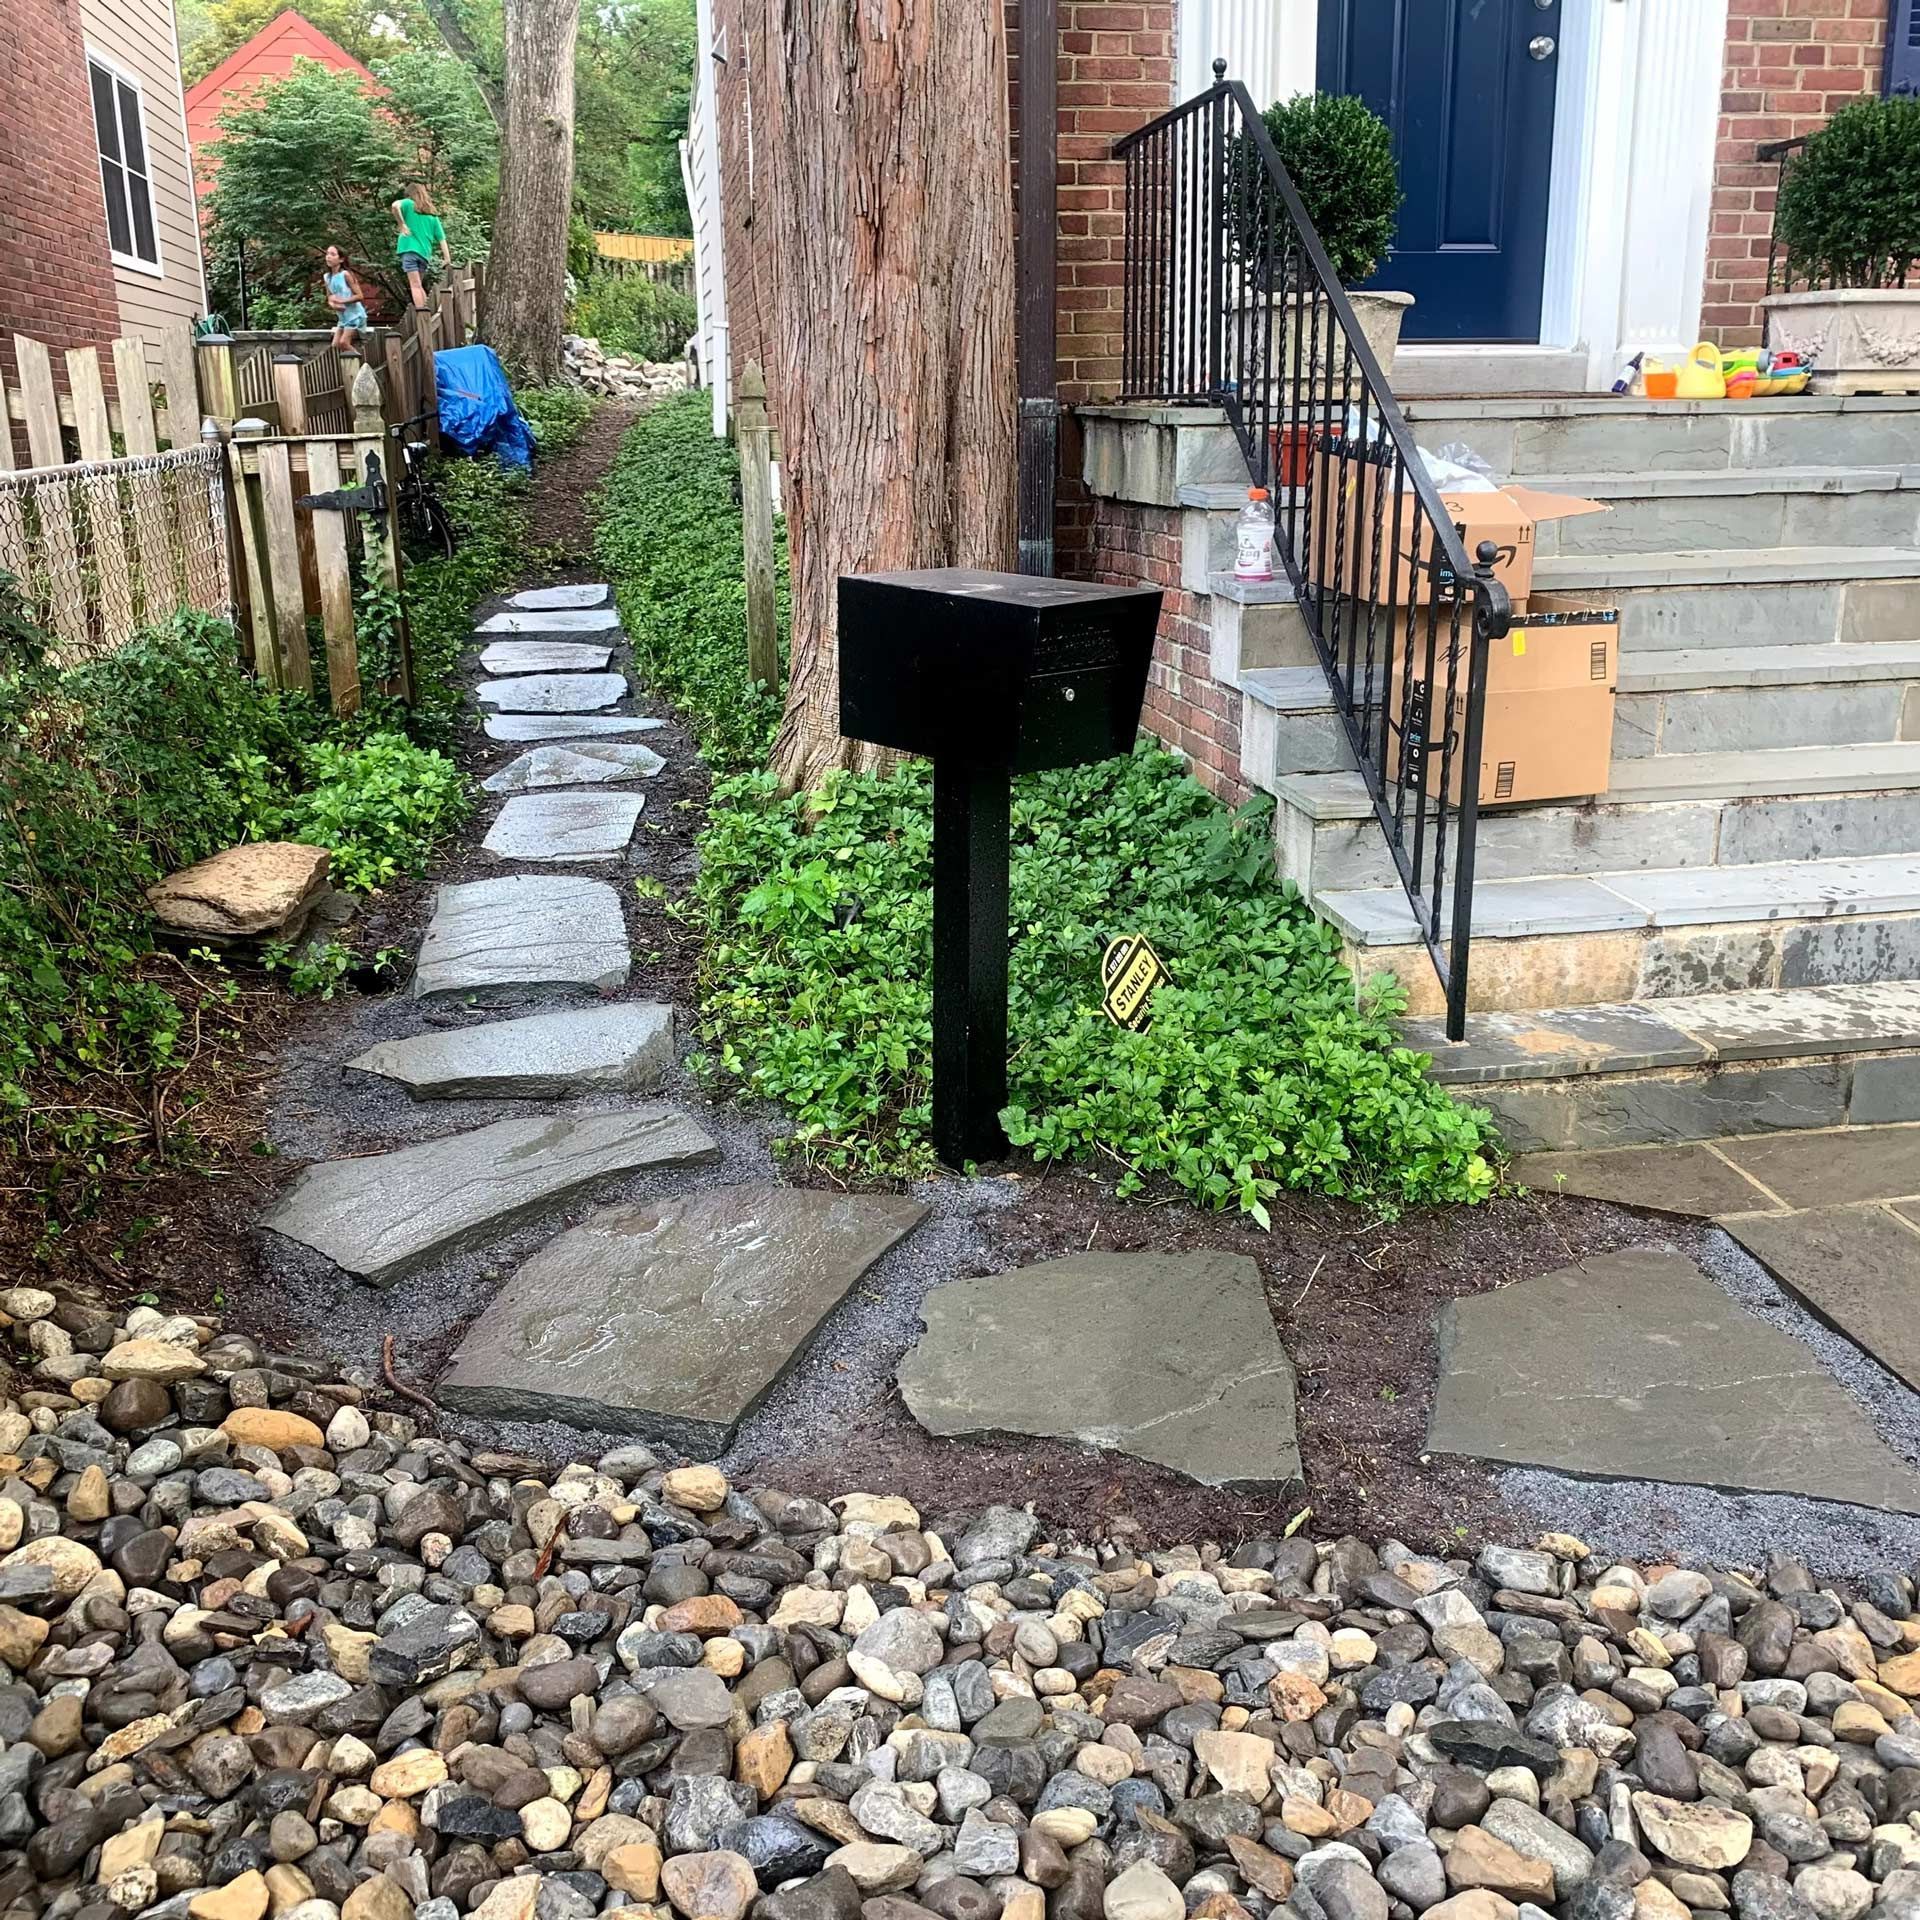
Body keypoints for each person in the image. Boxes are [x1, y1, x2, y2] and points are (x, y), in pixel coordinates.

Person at [391, 185, 451, 313]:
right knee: (419, 286)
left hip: (409, 250)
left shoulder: (408, 204)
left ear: (409, 194)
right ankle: (427, 314)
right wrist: (447, 258)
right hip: (424, 255)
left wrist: (401, 224)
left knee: (415, 286)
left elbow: (395, 206)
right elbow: (442, 239)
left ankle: (422, 315)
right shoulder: (432, 216)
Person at [322, 244, 367, 349]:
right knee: (335, 345)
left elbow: (360, 296)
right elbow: (329, 297)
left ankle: (362, 363)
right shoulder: (327, 277)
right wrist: (333, 305)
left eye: (333, 254)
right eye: (327, 254)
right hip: (342, 317)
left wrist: (343, 301)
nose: (328, 257)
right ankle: (348, 363)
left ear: (341, 259)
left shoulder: (346, 274)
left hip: (354, 315)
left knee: (344, 343)